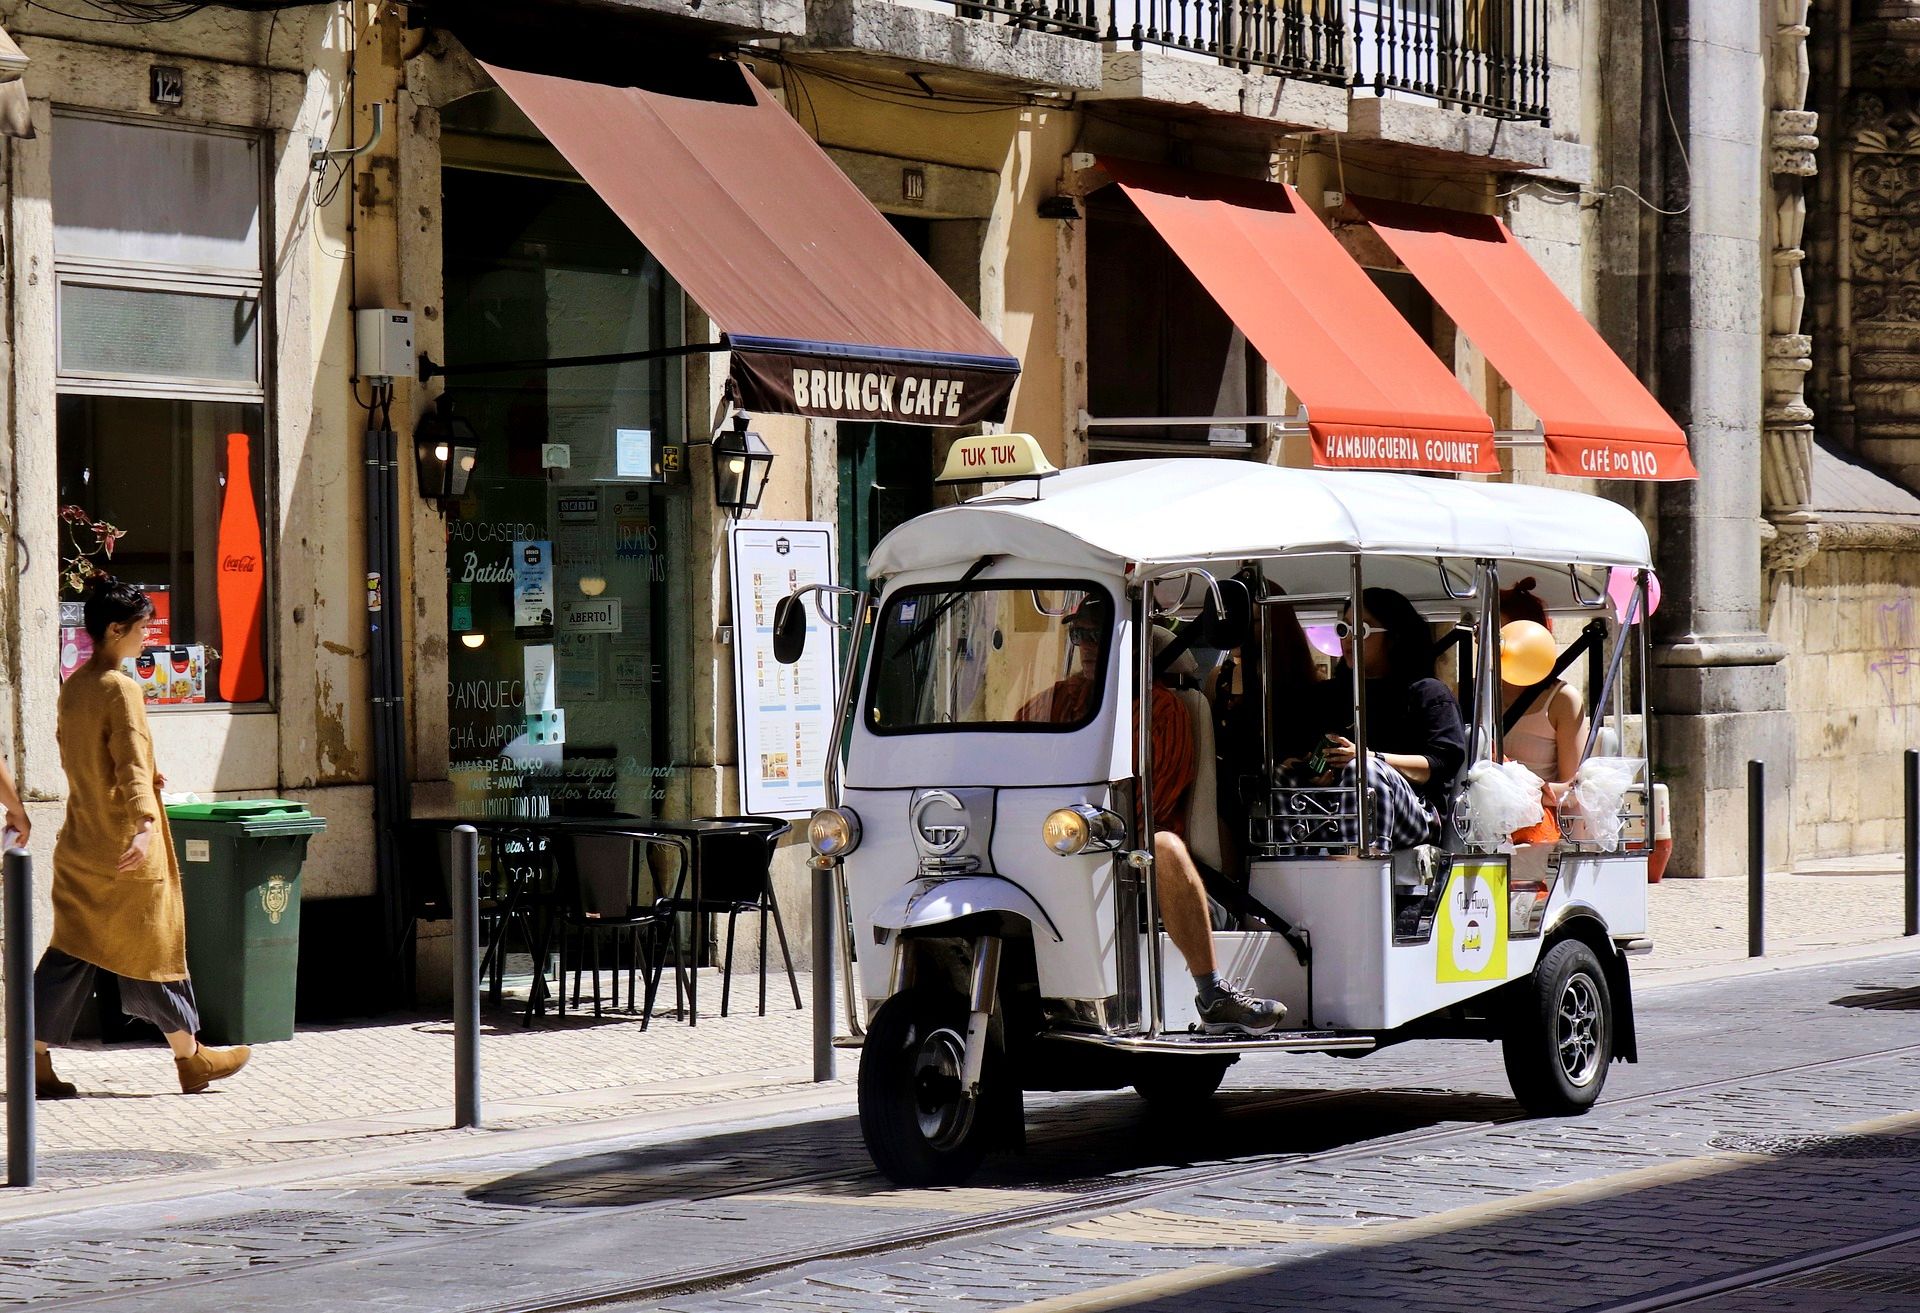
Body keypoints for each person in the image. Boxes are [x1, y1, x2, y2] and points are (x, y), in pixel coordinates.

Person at [34, 578, 251, 1098]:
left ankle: (33, 1061)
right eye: (141, 628)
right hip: (125, 845)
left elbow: (85, 757)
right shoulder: (121, 687)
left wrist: (145, 777)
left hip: (82, 838)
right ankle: (191, 1059)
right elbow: (129, 757)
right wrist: (146, 821)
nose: (148, 637)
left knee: (70, 953)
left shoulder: (77, 685)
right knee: (153, 948)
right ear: (115, 630)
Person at [1021, 613, 1285, 1034]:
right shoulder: (1056, 699)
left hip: (1135, 856)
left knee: (1163, 844)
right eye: (1081, 634)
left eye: (1099, 634)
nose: (1088, 645)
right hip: (1054, 841)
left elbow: (1146, 810)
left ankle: (1212, 991)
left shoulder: (1163, 709)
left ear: (1132, 649)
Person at [1316, 587, 1467, 850]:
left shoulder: (1427, 692)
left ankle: (1365, 870)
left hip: (1415, 813)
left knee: (1364, 773)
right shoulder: (1333, 693)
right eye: (1344, 629)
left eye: (1360, 630)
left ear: (1394, 637)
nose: (1348, 639)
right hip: (1340, 805)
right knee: (1286, 776)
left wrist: (1371, 758)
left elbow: (1442, 763)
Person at [1498, 577, 1586, 785]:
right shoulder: (1473, 691)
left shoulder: (1563, 700)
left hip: (1538, 815)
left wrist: (1519, 793)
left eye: (1499, 637)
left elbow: (1571, 789)